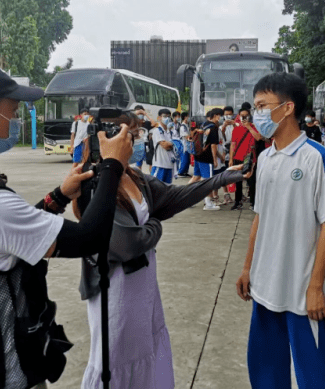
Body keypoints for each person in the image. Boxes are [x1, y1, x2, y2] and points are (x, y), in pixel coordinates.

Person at [0, 58, 132, 389]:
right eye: (11, 109)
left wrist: (58, 197)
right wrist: (114, 164)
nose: (14, 119)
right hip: (1, 374)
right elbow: (91, 238)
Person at [75, 113, 251, 389]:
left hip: (143, 283)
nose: (133, 142)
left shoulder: (133, 176)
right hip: (116, 290)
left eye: (135, 135)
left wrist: (223, 178)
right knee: (116, 360)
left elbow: (172, 197)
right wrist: (155, 227)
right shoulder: (95, 183)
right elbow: (124, 243)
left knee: (146, 351)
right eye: (129, 135)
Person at [236, 72, 325, 389]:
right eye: (256, 106)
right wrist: (247, 268)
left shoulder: (316, 158)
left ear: (287, 108)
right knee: (266, 370)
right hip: (265, 286)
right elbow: (259, 217)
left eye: (262, 105)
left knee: (314, 375)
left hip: (299, 292)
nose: (257, 114)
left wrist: (315, 286)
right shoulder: (265, 158)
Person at [190, 108, 224, 210]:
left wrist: (219, 156)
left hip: (198, 154)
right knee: (208, 181)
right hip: (207, 157)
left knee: (196, 177)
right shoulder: (213, 127)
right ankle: (208, 203)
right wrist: (214, 159)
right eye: (220, 115)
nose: (220, 118)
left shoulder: (204, 124)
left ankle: (182, 197)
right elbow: (213, 146)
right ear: (216, 115)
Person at [229, 103, 261, 211]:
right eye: (242, 116)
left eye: (246, 116)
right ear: (238, 116)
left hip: (251, 158)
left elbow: (258, 138)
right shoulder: (236, 130)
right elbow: (233, 144)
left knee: (252, 182)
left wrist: (249, 127)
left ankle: (253, 203)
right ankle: (237, 202)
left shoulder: (253, 127)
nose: (244, 118)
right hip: (238, 158)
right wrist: (231, 159)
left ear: (249, 116)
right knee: (238, 181)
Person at [150, 109, 175, 184]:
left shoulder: (170, 132)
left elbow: (177, 145)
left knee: (167, 189)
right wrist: (173, 144)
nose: (167, 118)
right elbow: (165, 146)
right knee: (155, 188)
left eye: (168, 117)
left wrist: (171, 144)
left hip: (169, 165)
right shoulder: (157, 131)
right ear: (159, 118)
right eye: (164, 116)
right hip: (160, 165)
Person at [134, 105, 156, 171]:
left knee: (151, 163)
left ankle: (151, 178)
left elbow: (154, 124)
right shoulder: (134, 123)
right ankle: (139, 179)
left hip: (147, 146)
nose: (140, 115)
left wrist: (145, 114)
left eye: (141, 113)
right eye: (138, 113)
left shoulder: (147, 123)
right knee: (138, 166)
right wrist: (136, 114)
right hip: (138, 146)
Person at [177, 111, 192, 177]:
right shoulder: (182, 127)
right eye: (188, 116)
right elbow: (187, 136)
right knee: (184, 159)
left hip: (188, 145)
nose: (189, 118)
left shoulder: (187, 125)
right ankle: (181, 172)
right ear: (185, 117)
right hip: (184, 145)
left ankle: (185, 172)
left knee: (187, 160)